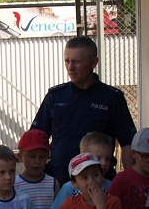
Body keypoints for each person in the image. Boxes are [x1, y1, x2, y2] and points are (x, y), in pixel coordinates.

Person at [31, 36, 137, 186]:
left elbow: (127, 143)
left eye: (76, 62)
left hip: (98, 182)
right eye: (67, 61)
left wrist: (130, 183)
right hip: (58, 181)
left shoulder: (112, 98)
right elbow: (36, 138)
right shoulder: (55, 97)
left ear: (94, 63)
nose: (70, 67)